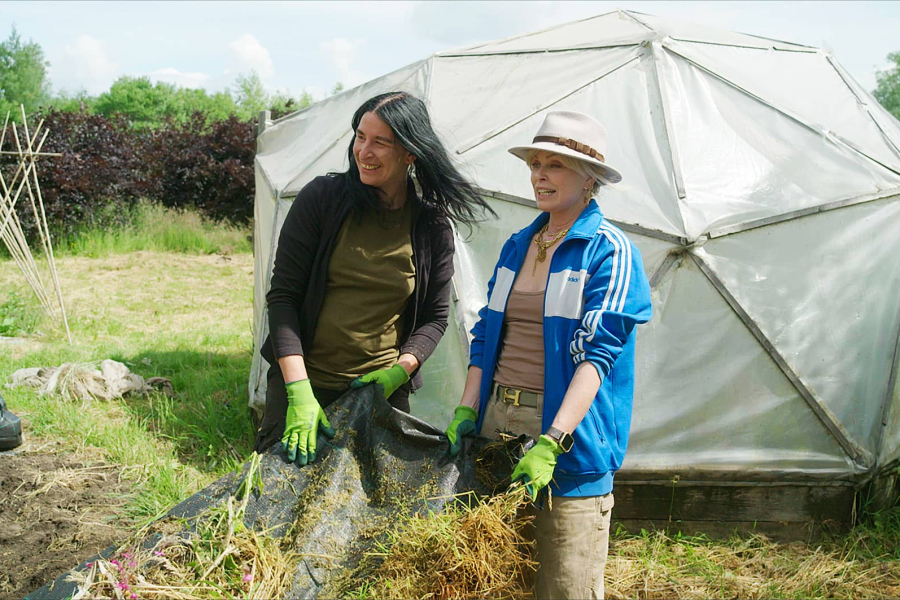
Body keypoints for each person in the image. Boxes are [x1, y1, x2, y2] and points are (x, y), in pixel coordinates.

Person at [444, 110, 653, 599]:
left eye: (555, 165)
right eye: (535, 164)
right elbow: (486, 335)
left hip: (566, 440)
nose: (540, 175)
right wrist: (467, 409)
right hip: (497, 427)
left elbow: (597, 357)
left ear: (590, 178)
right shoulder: (519, 245)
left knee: (565, 585)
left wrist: (553, 441)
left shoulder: (608, 250)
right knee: (495, 579)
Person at [256, 91, 492, 467]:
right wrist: (298, 391)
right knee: (280, 493)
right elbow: (283, 297)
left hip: (379, 396)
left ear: (410, 153)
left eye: (380, 142)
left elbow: (433, 320)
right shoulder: (321, 200)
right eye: (360, 137)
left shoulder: (430, 225)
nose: (363, 151)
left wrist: (399, 372)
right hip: (305, 382)